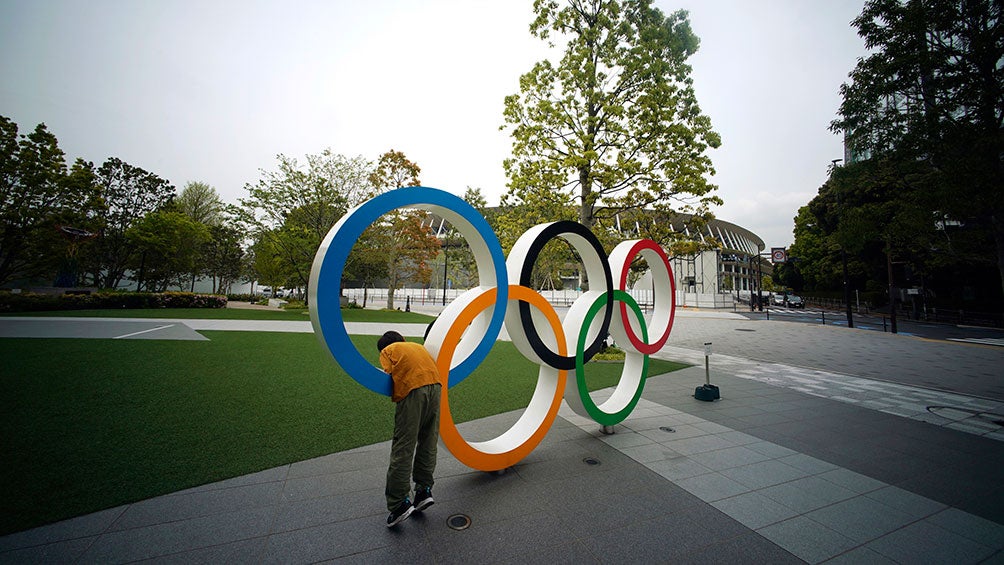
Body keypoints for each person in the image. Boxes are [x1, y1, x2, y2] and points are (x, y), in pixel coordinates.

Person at [376, 330, 442, 527]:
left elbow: (386, 373)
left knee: (404, 445)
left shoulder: (389, 350)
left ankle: (399, 504)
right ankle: (423, 491)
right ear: (402, 339)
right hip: (436, 387)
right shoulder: (417, 346)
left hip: (413, 390)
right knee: (428, 441)